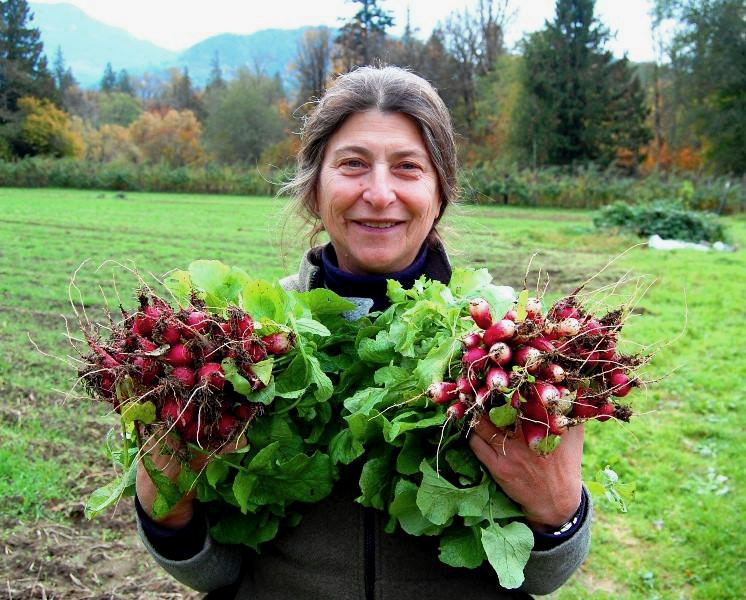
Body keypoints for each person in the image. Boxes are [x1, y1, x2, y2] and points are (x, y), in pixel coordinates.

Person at [135, 65, 591, 599]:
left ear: (440, 192)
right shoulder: (240, 339)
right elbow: (214, 573)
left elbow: (545, 575)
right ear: (313, 187)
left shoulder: (511, 344)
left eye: (407, 168)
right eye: (353, 165)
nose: (378, 194)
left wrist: (560, 511)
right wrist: (165, 506)